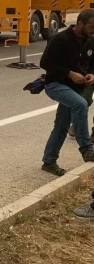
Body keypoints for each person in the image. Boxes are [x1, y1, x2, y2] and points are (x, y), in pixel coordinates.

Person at [40, 9, 94, 176]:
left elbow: (92, 64)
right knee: (80, 104)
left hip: (75, 88)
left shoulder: (90, 41)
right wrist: (69, 74)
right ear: (80, 24)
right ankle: (86, 148)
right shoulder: (60, 39)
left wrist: (91, 74)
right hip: (55, 84)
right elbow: (45, 63)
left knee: (62, 126)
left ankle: (49, 161)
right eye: (92, 26)